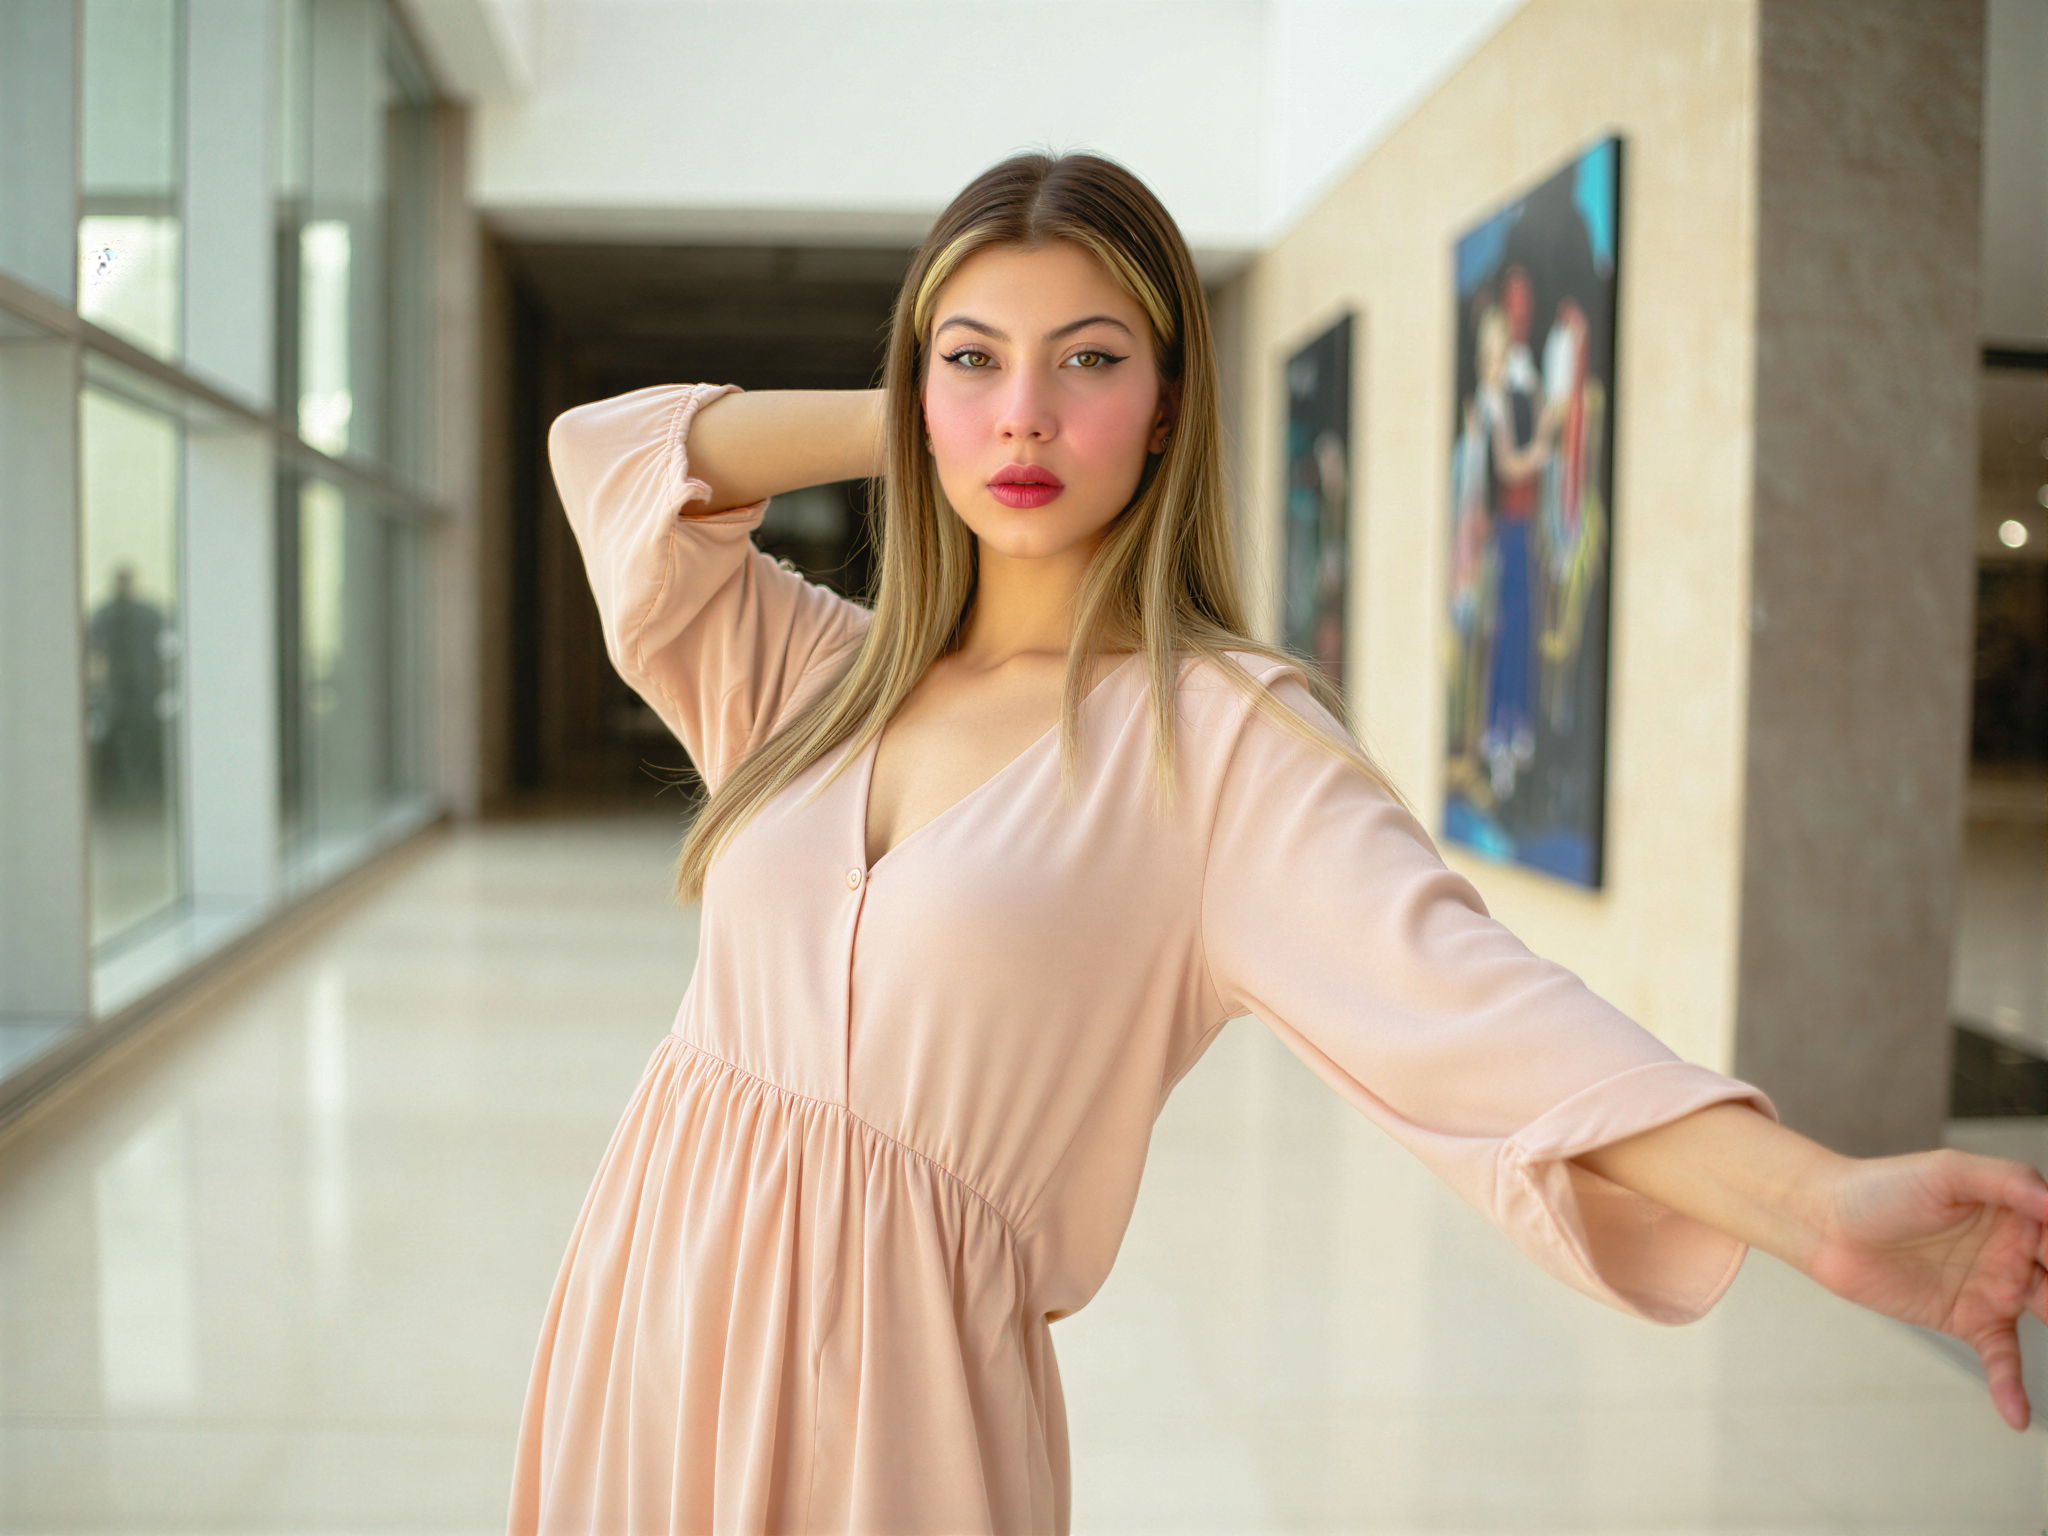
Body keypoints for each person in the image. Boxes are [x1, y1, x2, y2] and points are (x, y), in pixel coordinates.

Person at [509, 153, 2047, 1535]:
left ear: (1169, 402)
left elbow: (1486, 1015)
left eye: (1089, 361)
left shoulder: (1220, 742)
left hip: (894, 1410)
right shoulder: (812, 674)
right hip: (646, 1314)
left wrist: (1810, 1203)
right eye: (976, 358)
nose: (1028, 414)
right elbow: (614, 457)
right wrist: (925, 418)